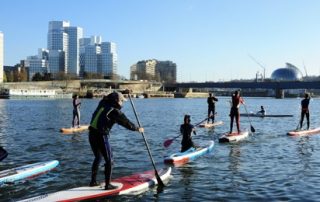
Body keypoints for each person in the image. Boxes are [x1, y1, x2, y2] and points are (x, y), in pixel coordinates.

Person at [88, 91, 144, 190]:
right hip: (101, 136)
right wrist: (137, 129)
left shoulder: (102, 103)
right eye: (122, 101)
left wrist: (121, 92)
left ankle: (93, 181)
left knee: (98, 157)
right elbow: (126, 122)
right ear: (116, 101)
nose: (122, 103)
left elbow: (105, 98)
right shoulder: (114, 111)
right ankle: (107, 185)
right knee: (110, 160)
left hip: (91, 134)